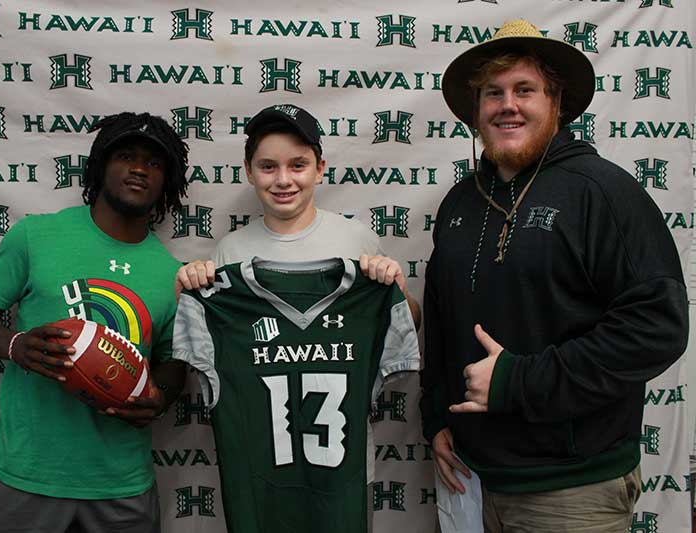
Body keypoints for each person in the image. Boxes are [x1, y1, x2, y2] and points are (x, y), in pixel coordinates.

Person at [421, 19, 688, 532]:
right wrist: (438, 419)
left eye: (525, 90)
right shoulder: (459, 202)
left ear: (556, 102)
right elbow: (442, 318)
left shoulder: (602, 192)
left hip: (571, 488)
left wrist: (520, 380)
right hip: (471, 479)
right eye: (493, 93)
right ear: (476, 110)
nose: (508, 105)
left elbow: (658, 327)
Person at [175, 103, 421, 532]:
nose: (283, 179)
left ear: (320, 168)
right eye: (268, 166)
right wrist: (190, 290)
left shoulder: (355, 238)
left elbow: (406, 322)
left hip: (341, 469)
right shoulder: (230, 252)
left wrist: (394, 288)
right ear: (249, 172)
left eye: (298, 165)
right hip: (259, 473)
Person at [0, 112, 190, 533]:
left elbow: (174, 360)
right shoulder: (36, 237)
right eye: (126, 155)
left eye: (155, 163)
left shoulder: (171, 273)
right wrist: (16, 345)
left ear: (167, 182)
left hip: (121, 486)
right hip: (23, 479)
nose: (139, 168)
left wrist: (162, 395)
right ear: (101, 164)